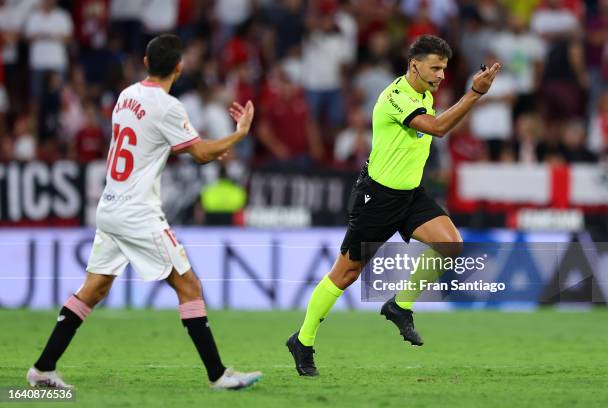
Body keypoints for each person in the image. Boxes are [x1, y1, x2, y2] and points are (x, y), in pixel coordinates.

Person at [27, 34, 262, 390]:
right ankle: (219, 375)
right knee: (189, 284)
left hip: (110, 205)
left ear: (147, 62)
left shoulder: (126, 96)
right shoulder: (168, 106)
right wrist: (238, 135)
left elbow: (151, 142)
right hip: (138, 212)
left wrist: (197, 147)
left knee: (94, 288)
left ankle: (42, 369)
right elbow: (199, 153)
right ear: (179, 67)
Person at [286, 35, 501, 376]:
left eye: (444, 69)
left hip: (411, 195)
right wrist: (474, 93)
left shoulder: (424, 94)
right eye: (436, 68)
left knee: (451, 244)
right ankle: (304, 339)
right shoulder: (395, 97)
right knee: (345, 274)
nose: (441, 75)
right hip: (377, 198)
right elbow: (438, 128)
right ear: (414, 65)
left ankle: (400, 307)